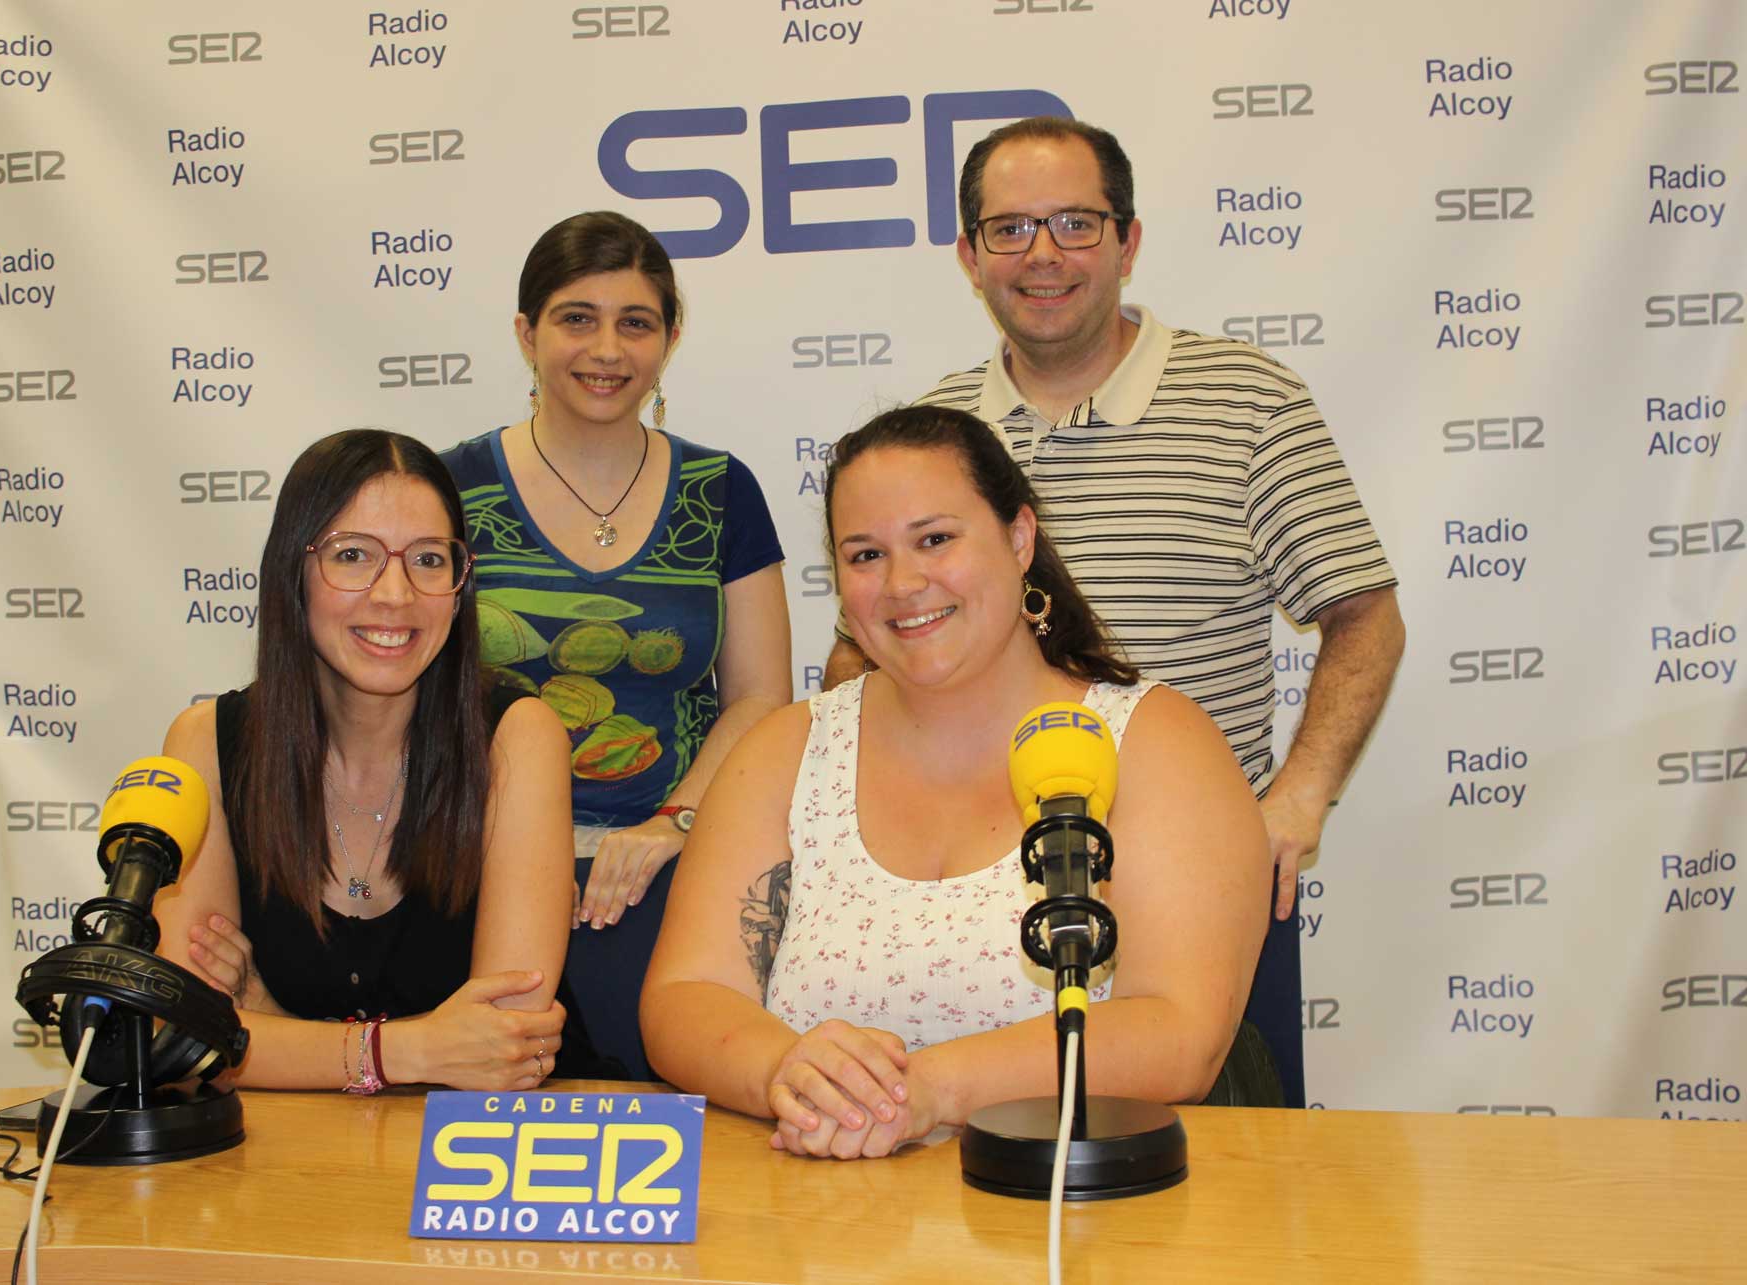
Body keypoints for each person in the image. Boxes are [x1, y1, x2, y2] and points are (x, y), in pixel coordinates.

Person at [823, 117, 1405, 1109]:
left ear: (1127, 241)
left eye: (1075, 223)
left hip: (1198, 893)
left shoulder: (1249, 401)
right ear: (969, 256)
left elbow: (1365, 616)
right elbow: (862, 651)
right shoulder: (938, 434)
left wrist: (1297, 801)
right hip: (969, 916)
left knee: (1227, 1193)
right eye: (1010, 229)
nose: (1042, 254)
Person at [641, 405, 1270, 1158]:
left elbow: (1181, 1031)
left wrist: (928, 1090)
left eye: (935, 539)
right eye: (866, 555)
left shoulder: (1154, 742)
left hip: (1076, 1210)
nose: (903, 582)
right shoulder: (784, 750)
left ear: (1019, 538)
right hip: (822, 1213)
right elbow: (686, 995)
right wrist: (787, 1071)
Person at [441, 211, 791, 1079]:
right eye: (577, 318)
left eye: (636, 322)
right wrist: (518, 853)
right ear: (527, 333)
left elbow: (761, 697)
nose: (607, 349)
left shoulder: (722, 491)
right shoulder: (448, 489)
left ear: (670, 338)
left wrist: (672, 825)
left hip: (676, 860)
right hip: (477, 863)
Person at [155, 429, 574, 1092]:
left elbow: (504, 1048)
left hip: (491, 1149)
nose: (395, 594)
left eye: (429, 559)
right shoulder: (207, 743)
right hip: (291, 1147)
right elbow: (181, 1043)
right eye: (354, 555)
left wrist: (262, 1018)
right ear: (294, 571)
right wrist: (403, 1051)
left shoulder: (517, 737)